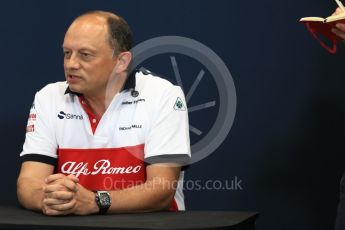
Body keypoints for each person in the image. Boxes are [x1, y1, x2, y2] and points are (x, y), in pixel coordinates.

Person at [16, 10, 191, 216]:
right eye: (67, 53)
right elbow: (28, 182)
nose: (71, 64)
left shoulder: (163, 95)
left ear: (122, 61)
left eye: (85, 54)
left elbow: (162, 191)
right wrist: (47, 200)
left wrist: (95, 201)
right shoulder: (48, 97)